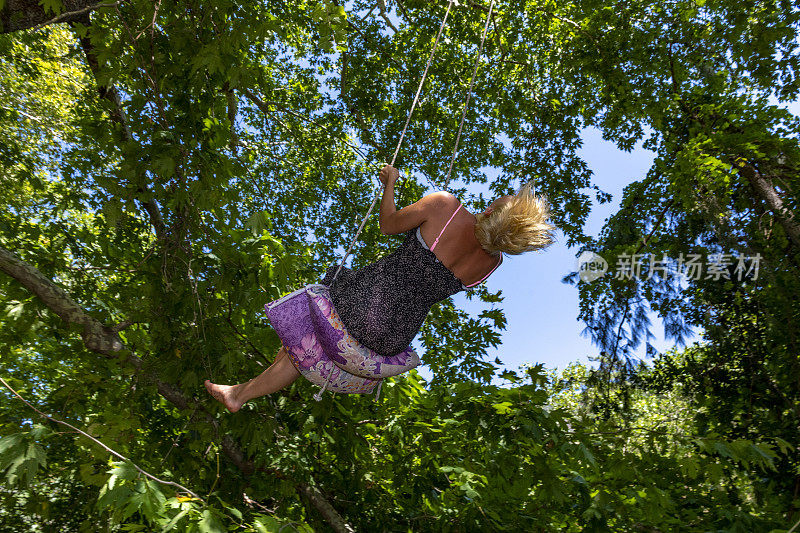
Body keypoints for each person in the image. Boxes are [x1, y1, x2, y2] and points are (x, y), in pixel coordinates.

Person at [205, 164, 556, 412]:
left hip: (367, 301)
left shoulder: (446, 207)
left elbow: (387, 224)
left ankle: (240, 394)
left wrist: (390, 182)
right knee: (298, 350)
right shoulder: (490, 265)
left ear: (499, 207)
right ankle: (239, 393)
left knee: (302, 342)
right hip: (394, 336)